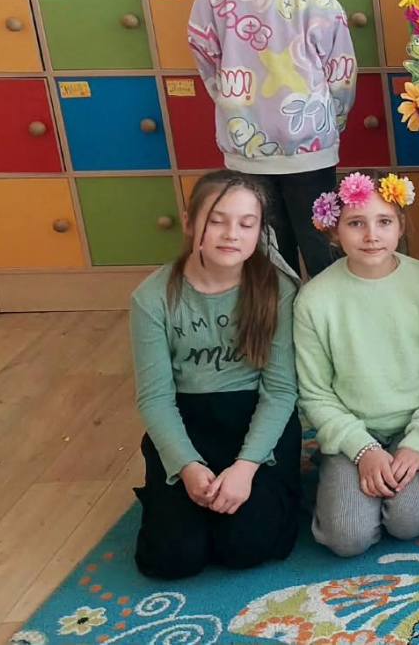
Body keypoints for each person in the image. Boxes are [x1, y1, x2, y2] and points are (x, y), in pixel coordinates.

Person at [129, 170, 301, 578]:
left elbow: (280, 391)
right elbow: (155, 398)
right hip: (188, 424)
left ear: (260, 231)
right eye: (217, 220)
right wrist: (186, 465)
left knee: (245, 547)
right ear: (190, 223)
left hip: (255, 422)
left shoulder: (277, 290)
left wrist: (245, 468)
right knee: (174, 558)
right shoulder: (151, 298)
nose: (231, 234)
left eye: (246, 224)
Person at [187, 0, 355, 278]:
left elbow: (341, 70)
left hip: (310, 151)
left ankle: (324, 317)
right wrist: (237, 113)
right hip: (247, 152)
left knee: (322, 246)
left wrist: (326, 128)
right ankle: (277, 316)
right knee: (266, 253)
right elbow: (208, 63)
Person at [297, 173, 419, 556]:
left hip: (418, 426)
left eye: (384, 221)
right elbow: (315, 392)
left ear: (400, 225)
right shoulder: (315, 299)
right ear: (334, 231)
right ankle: (335, 474)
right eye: (356, 223)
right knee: (347, 537)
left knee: (409, 521)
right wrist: (361, 450)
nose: (371, 235)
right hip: (353, 433)